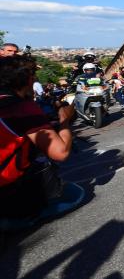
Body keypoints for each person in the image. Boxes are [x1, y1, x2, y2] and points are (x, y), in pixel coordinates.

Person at [0, 55, 84, 231]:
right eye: (33, 76)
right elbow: (60, 153)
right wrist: (64, 121)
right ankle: (18, 218)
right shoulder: (22, 108)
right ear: (27, 79)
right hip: (7, 185)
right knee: (74, 194)